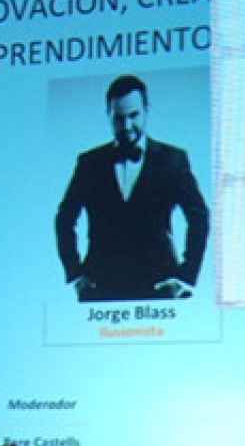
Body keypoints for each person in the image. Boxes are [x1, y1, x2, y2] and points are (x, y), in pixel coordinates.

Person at [54, 74, 209, 302]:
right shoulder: (89, 163)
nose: (126, 126)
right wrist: (75, 275)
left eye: (134, 115)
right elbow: (64, 218)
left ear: (147, 110)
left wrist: (185, 276)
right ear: (108, 115)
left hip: (159, 287)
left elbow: (199, 217)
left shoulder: (173, 160)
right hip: (100, 287)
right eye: (118, 118)